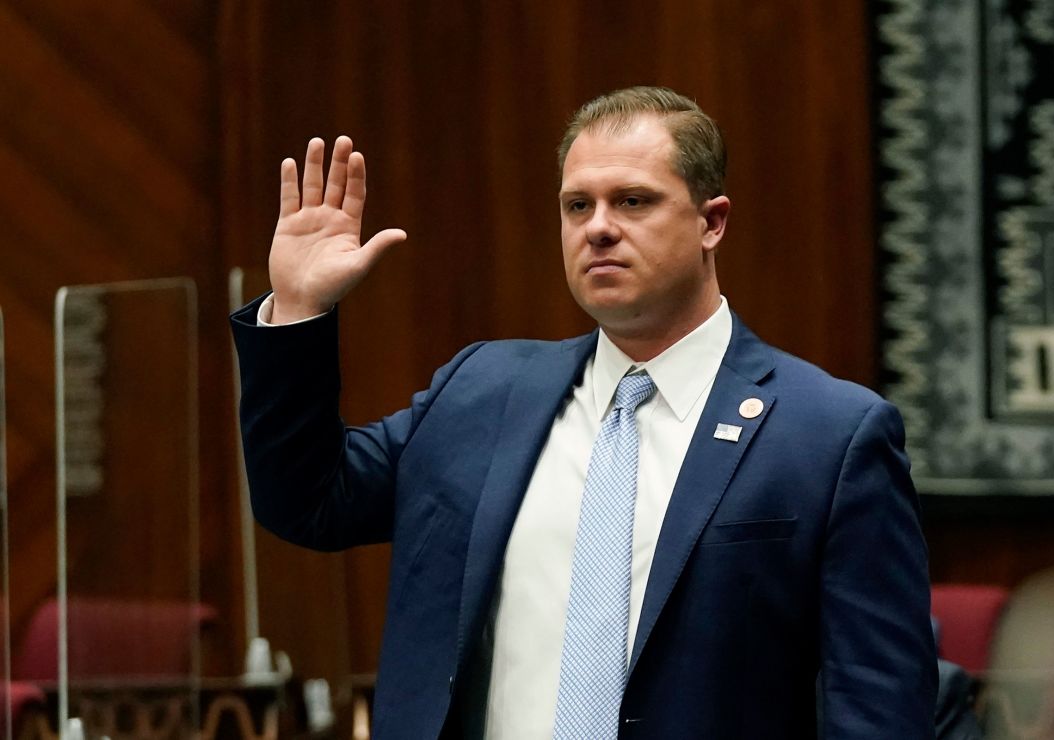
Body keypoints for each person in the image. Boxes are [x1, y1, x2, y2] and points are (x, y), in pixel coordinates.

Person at [231, 86, 938, 739]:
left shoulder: (829, 436)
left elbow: (877, 704)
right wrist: (298, 310)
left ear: (711, 222)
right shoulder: (481, 392)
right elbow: (309, 502)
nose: (598, 228)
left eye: (633, 202)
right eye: (578, 205)